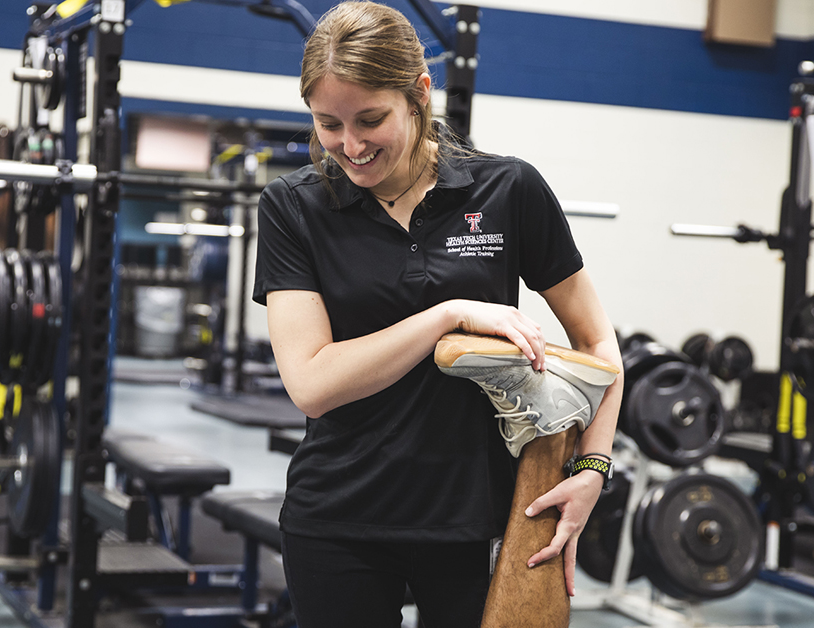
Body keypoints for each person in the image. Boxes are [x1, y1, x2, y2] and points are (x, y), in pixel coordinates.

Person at [251, 2, 623, 626]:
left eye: (371, 120)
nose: (349, 145)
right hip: (338, 518)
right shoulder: (294, 208)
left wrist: (592, 468)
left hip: (479, 520)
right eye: (327, 124)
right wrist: (445, 316)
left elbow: (597, 343)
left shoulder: (508, 191)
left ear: (420, 95)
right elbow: (312, 384)